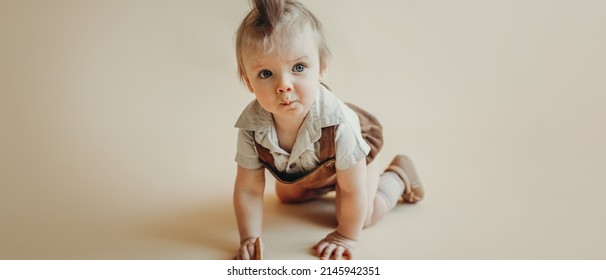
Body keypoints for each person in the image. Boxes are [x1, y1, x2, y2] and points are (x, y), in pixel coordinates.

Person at [232, 0, 424, 260]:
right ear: (248, 82)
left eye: (298, 68)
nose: (284, 85)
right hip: (312, 167)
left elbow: (353, 188)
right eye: (266, 73)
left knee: (361, 215)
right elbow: (248, 188)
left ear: (321, 68)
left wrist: (345, 235)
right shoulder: (251, 127)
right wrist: (248, 238)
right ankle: (324, 184)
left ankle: (397, 178)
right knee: (286, 195)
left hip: (356, 156)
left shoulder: (339, 124)